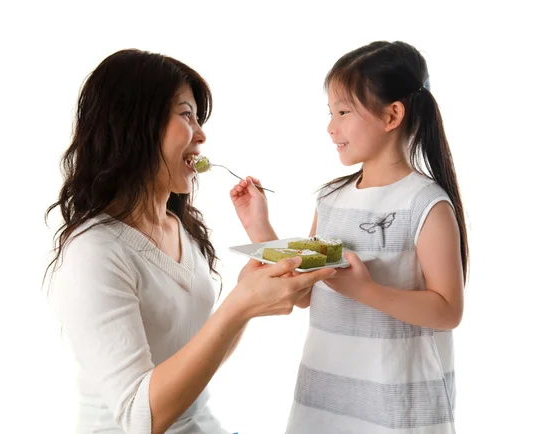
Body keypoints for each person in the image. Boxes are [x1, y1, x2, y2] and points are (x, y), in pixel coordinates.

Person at [44, 48, 335, 434]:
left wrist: (247, 301)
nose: (201, 134)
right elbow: (139, 418)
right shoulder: (94, 252)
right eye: (186, 115)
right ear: (136, 124)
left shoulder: (179, 227)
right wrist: (239, 304)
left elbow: (195, 356)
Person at [230, 41, 469, 434]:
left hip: (395, 405)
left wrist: (364, 291)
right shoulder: (331, 198)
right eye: (330, 113)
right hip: (325, 396)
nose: (330, 127)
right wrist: (258, 226)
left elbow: (448, 311)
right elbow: (305, 292)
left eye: (343, 112)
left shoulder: (425, 203)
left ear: (392, 115)